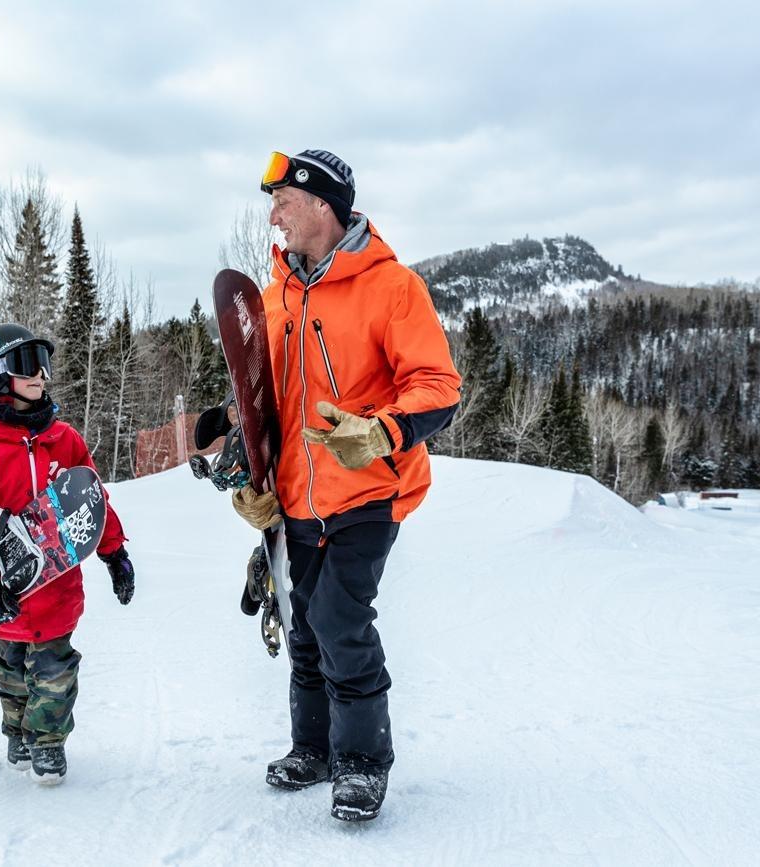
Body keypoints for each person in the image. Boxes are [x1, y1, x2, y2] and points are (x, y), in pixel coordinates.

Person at [232, 149, 461, 821]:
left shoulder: (393, 288)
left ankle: (362, 759)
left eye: (284, 203)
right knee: (306, 622)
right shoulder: (275, 297)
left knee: (339, 615)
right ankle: (315, 745)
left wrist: (380, 431)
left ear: (323, 207)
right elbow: (255, 403)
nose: (274, 218)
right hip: (300, 494)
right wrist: (247, 475)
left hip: (370, 490)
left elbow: (438, 388)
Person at [0, 323, 134, 786]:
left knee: (54, 670)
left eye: (45, 366)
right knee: (11, 669)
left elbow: (93, 499)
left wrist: (114, 553)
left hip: (56, 587)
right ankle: (17, 731)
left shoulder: (64, 439)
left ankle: (47, 743)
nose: (43, 376)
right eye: (29, 366)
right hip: (5, 590)